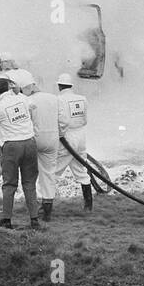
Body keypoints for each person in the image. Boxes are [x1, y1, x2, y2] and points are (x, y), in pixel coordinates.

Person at [0, 77, 40, 229]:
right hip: (30, 144)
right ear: (8, 88)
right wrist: (18, 93)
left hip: (12, 146)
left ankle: (6, 220)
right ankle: (34, 220)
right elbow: (33, 104)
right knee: (29, 183)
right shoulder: (22, 99)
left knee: (9, 185)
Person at [56, 73, 101, 211]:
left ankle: (45, 207)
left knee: (53, 172)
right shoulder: (82, 99)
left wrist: (60, 135)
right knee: (81, 171)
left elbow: (62, 121)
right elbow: (85, 120)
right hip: (81, 136)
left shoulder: (58, 100)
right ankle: (88, 206)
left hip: (67, 138)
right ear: (71, 85)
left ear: (59, 86)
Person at [26, 76, 63, 222]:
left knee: (29, 173)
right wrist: (61, 134)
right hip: (53, 138)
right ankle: (47, 209)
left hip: (34, 138)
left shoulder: (29, 101)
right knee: (48, 173)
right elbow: (63, 119)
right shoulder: (54, 98)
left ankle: (33, 209)